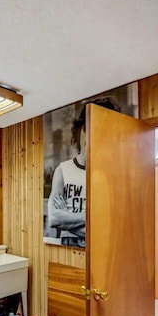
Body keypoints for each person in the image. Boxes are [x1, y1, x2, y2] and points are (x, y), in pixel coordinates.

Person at [47, 98, 119, 247]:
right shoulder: (62, 170)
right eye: (87, 128)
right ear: (79, 130)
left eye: (100, 129)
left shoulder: (111, 175)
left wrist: (68, 219)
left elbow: (110, 228)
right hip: (67, 252)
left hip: (99, 253)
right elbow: (54, 218)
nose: (92, 135)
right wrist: (92, 218)